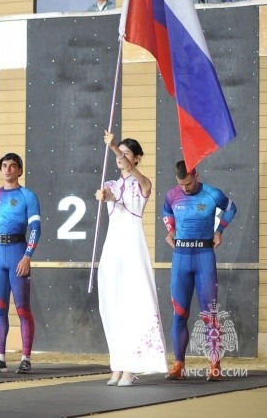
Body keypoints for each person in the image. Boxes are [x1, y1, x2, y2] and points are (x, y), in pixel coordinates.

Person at [95, 132, 167, 387]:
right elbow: (112, 197)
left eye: (127, 154)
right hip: (113, 248)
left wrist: (115, 148)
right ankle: (118, 363)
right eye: (119, 153)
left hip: (133, 247)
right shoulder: (112, 185)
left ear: (136, 159)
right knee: (114, 305)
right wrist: (104, 196)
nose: (121, 158)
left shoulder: (141, 183)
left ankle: (133, 366)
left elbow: (146, 186)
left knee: (135, 304)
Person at [163, 160, 237, 382]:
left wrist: (219, 230)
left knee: (210, 315)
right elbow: (167, 211)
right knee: (179, 314)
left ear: (196, 175)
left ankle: (215, 365)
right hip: (181, 260)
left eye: (188, 183)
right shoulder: (172, 195)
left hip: (204, 257)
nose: (185, 188)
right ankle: (179, 366)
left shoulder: (213, 193)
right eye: (181, 184)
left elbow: (231, 208)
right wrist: (170, 230)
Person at [0, 152, 40, 375]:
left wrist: (27, 256)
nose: (7, 169)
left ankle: (25, 358)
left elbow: (35, 228)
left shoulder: (27, 196)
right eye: (4, 166)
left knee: (23, 310)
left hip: (17, 255)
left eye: (13, 166)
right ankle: (0, 358)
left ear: (19, 170)